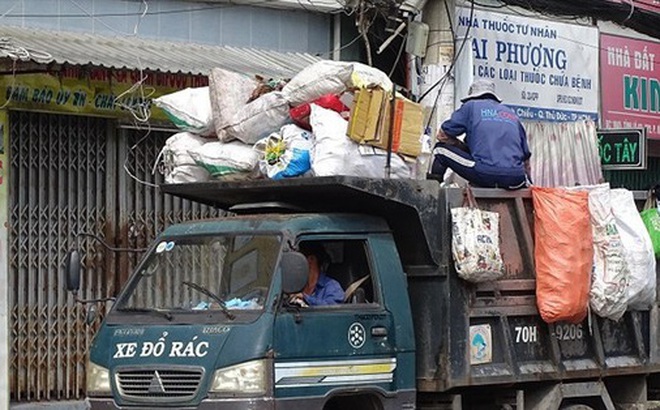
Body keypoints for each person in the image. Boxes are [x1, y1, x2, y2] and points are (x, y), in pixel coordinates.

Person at [430, 79, 532, 189]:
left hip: (486, 174)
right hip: (516, 179)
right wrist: (529, 184)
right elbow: (526, 159)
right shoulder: (511, 114)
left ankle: (432, 192)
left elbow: (442, 135)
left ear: (472, 96)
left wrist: (457, 144)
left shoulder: (471, 106)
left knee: (440, 150)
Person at [289, 242, 345, 306]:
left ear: (312, 259)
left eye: (310, 259)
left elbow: (332, 307)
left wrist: (305, 298)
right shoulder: (295, 286)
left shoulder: (332, 286)